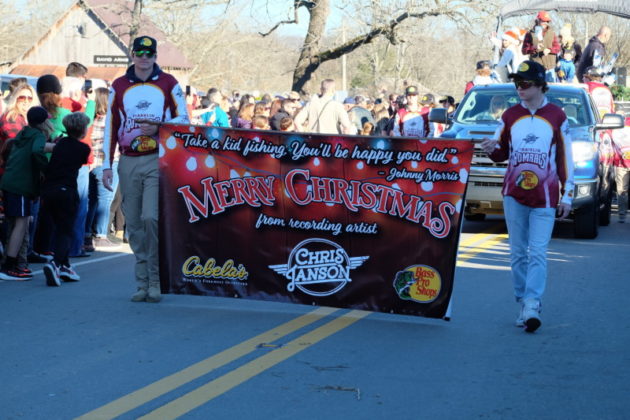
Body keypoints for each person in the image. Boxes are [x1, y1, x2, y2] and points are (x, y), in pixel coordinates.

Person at [480, 60, 574, 333]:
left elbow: (565, 159)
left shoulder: (557, 116)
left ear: (540, 85)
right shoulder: (509, 116)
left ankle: (533, 302)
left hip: (545, 196)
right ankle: (523, 300)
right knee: (517, 253)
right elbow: (501, 153)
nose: (519, 88)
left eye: (525, 84)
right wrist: (490, 149)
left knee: (538, 252)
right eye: (516, 84)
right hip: (514, 194)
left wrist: (567, 195)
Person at [102, 35, 189, 303]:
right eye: (139, 52)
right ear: (132, 54)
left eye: (149, 53)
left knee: (151, 217)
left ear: (155, 56)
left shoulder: (168, 83)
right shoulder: (118, 85)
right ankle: (142, 282)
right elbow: (110, 127)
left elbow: (184, 118)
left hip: (156, 159)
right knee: (135, 223)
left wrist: (160, 128)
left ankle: (155, 279)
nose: (144, 57)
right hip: (128, 160)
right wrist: (106, 165)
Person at [0, 107, 52, 280]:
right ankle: (9, 266)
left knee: (14, 223)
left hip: (9, 181)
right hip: (20, 184)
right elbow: (37, 151)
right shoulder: (38, 136)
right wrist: (46, 168)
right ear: (44, 121)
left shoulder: (24, 132)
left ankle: (11, 263)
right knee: (21, 224)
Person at [41, 112, 91, 286]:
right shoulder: (83, 149)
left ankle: (65, 266)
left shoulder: (60, 143)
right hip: (66, 191)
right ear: (83, 130)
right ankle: (55, 264)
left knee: (57, 228)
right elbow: (83, 160)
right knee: (65, 230)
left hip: (48, 190)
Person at [84, 87, 120, 250]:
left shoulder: (90, 119)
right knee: (105, 199)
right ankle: (100, 235)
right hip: (107, 163)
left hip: (91, 163)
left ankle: (86, 234)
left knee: (90, 200)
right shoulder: (110, 120)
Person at [521, 11, 561, 82]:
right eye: (543, 21)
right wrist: (534, 47)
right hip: (536, 67)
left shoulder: (552, 33)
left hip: (549, 68)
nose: (546, 23)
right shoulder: (530, 33)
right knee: (536, 89)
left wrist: (550, 50)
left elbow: (558, 48)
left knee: (550, 90)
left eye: (547, 21)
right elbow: (524, 50)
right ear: (538, 20)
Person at [611, 110, 630, 222]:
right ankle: (622, 214)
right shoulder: (612, 128)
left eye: (622, 116)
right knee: (622, 190)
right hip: (621, 163)